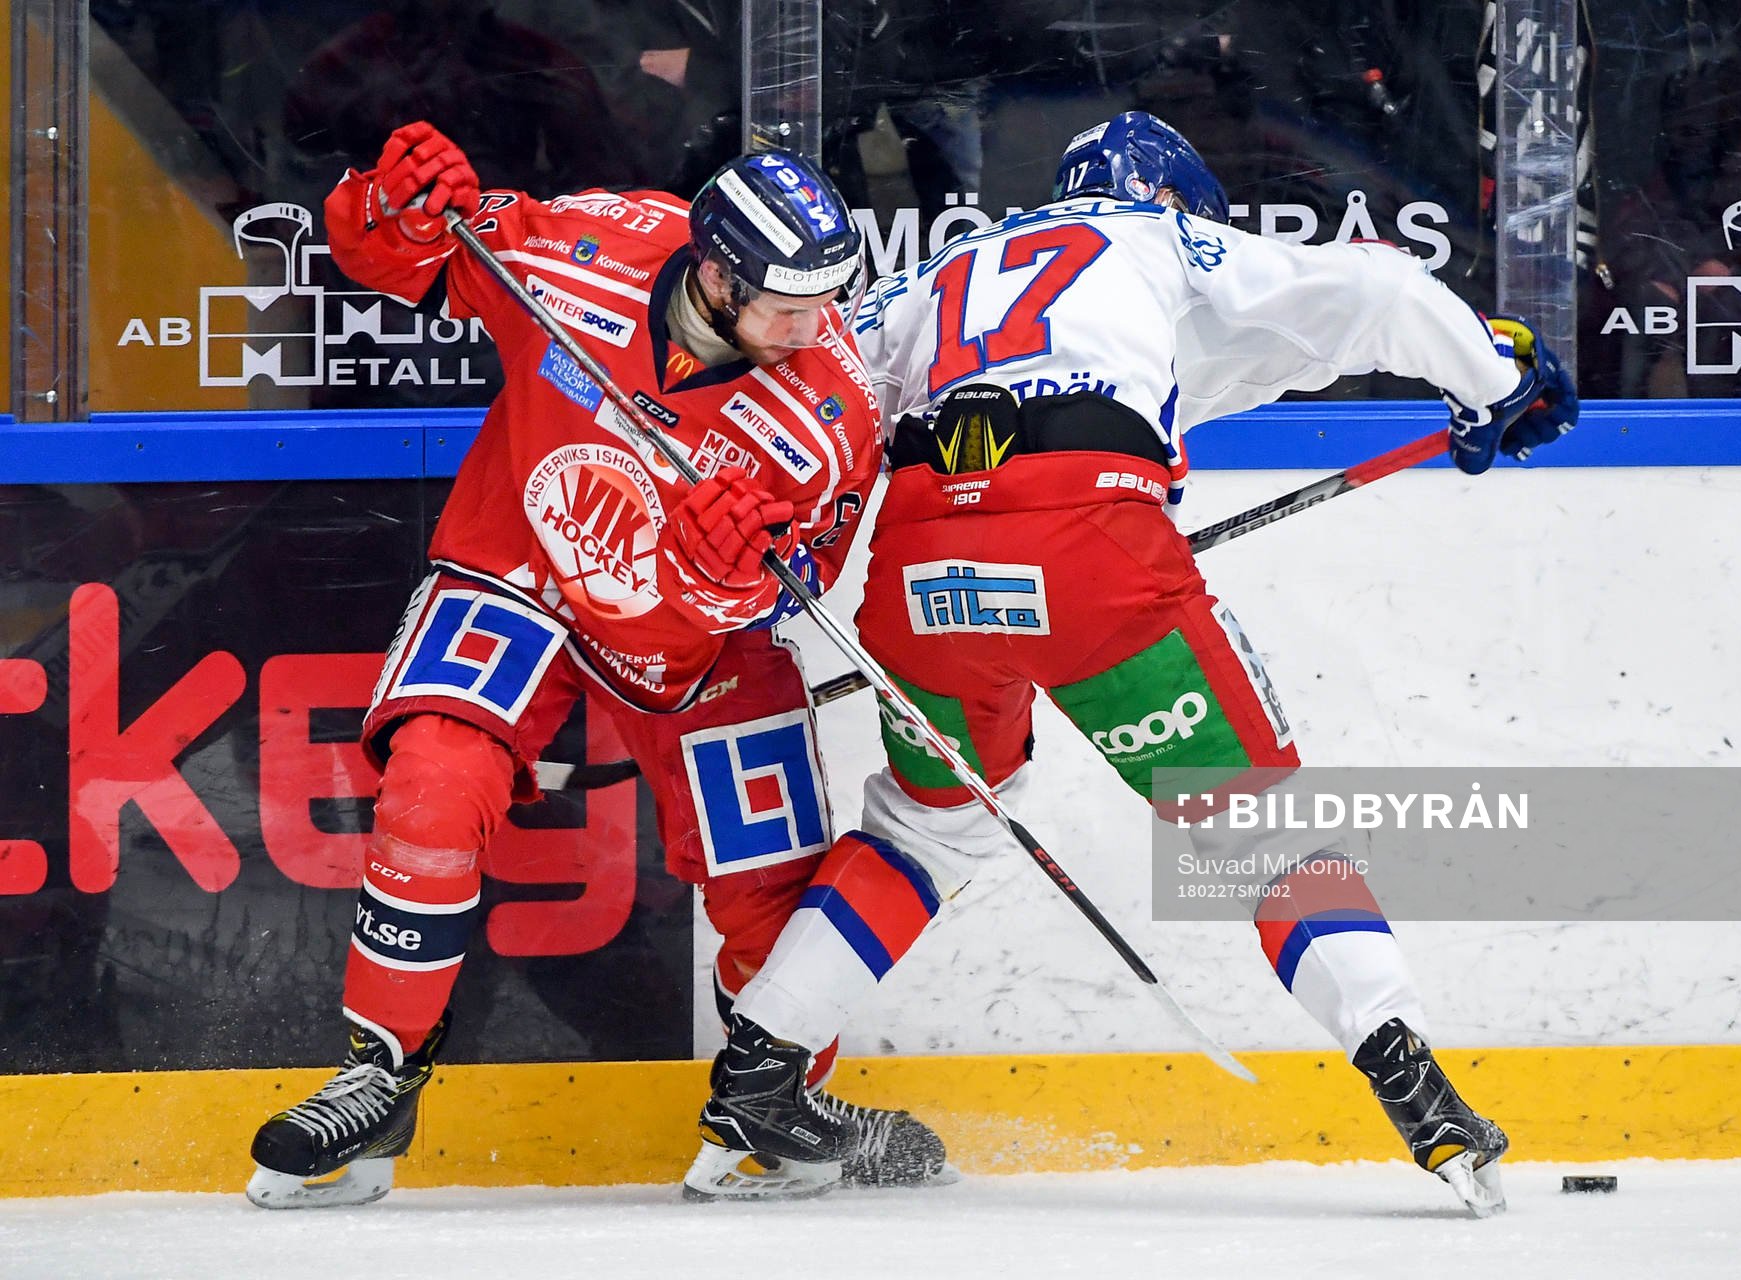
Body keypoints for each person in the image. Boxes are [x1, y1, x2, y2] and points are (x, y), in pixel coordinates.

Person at [685, 112, 1576, 1213]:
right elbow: (1377, 296)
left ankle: (757, 1077)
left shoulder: (942, 273)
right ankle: (1418, 1087)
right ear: (1170, 199)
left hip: (917, 564)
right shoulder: (1155, 239)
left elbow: (818, 399)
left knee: (928, 824)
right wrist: (1493, 380)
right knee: (1259, 827)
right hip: (1089, 549)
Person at [246, 121, 946, 1207]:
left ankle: (773, 1108)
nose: (812, 326)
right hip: (519, 565)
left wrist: (720, 579)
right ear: (713, 270)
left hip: (697, 643)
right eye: (785, 303)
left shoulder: (828, 409)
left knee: (776, 894)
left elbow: (783, 588)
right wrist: (384, 206)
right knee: (433, 779)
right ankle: (377, 1076)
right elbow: (407, 262)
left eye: (825, 300)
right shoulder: (589, 244)